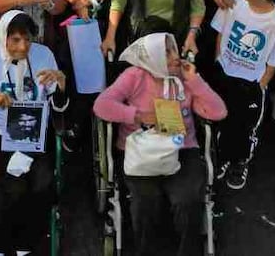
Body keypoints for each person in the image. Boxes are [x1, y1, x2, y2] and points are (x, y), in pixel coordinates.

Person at [93, 32, 227, 256]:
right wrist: (138, 116)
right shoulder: (134, 75)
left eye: (174, 49)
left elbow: (218, 112)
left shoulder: (186, 79)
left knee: (186, 199)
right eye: (166, 53)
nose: (175, 57)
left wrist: (194, 80)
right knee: (145, 202)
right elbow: (101, 106)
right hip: (140, 152)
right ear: (151, 57)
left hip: (182, 148)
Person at [0, 11, 68, 255]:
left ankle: (25, 244)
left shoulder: (44, 55)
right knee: (16, 187)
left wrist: (60, 87)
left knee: (43, 183)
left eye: (27, 39)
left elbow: (58, 107)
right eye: (15, 40)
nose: (23, 46)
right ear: (2, 37)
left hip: (32, 134)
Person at [210, 0, 275, 190]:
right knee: (221, 120)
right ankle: (222, 158)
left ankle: (240, 162)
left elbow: (274, 60)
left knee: (245, 127)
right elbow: (220, 31)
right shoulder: (234, 2)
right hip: (224, 73)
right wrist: (218, 60)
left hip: (251, 82)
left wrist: (261, 85)